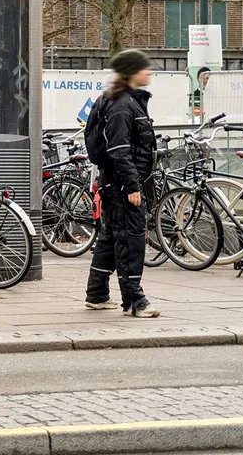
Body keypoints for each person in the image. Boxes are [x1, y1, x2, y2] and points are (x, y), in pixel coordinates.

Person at [85, 49, 160, 319]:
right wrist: (132, 186)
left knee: (111, 236)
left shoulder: (125, 100)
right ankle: (134, 300)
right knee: (130, 238)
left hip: (116, 182)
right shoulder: (121, 104)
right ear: (131, 73)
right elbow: (119, 150)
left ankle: (97, 294)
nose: (149, 71)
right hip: (121, 183)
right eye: (144, 67)